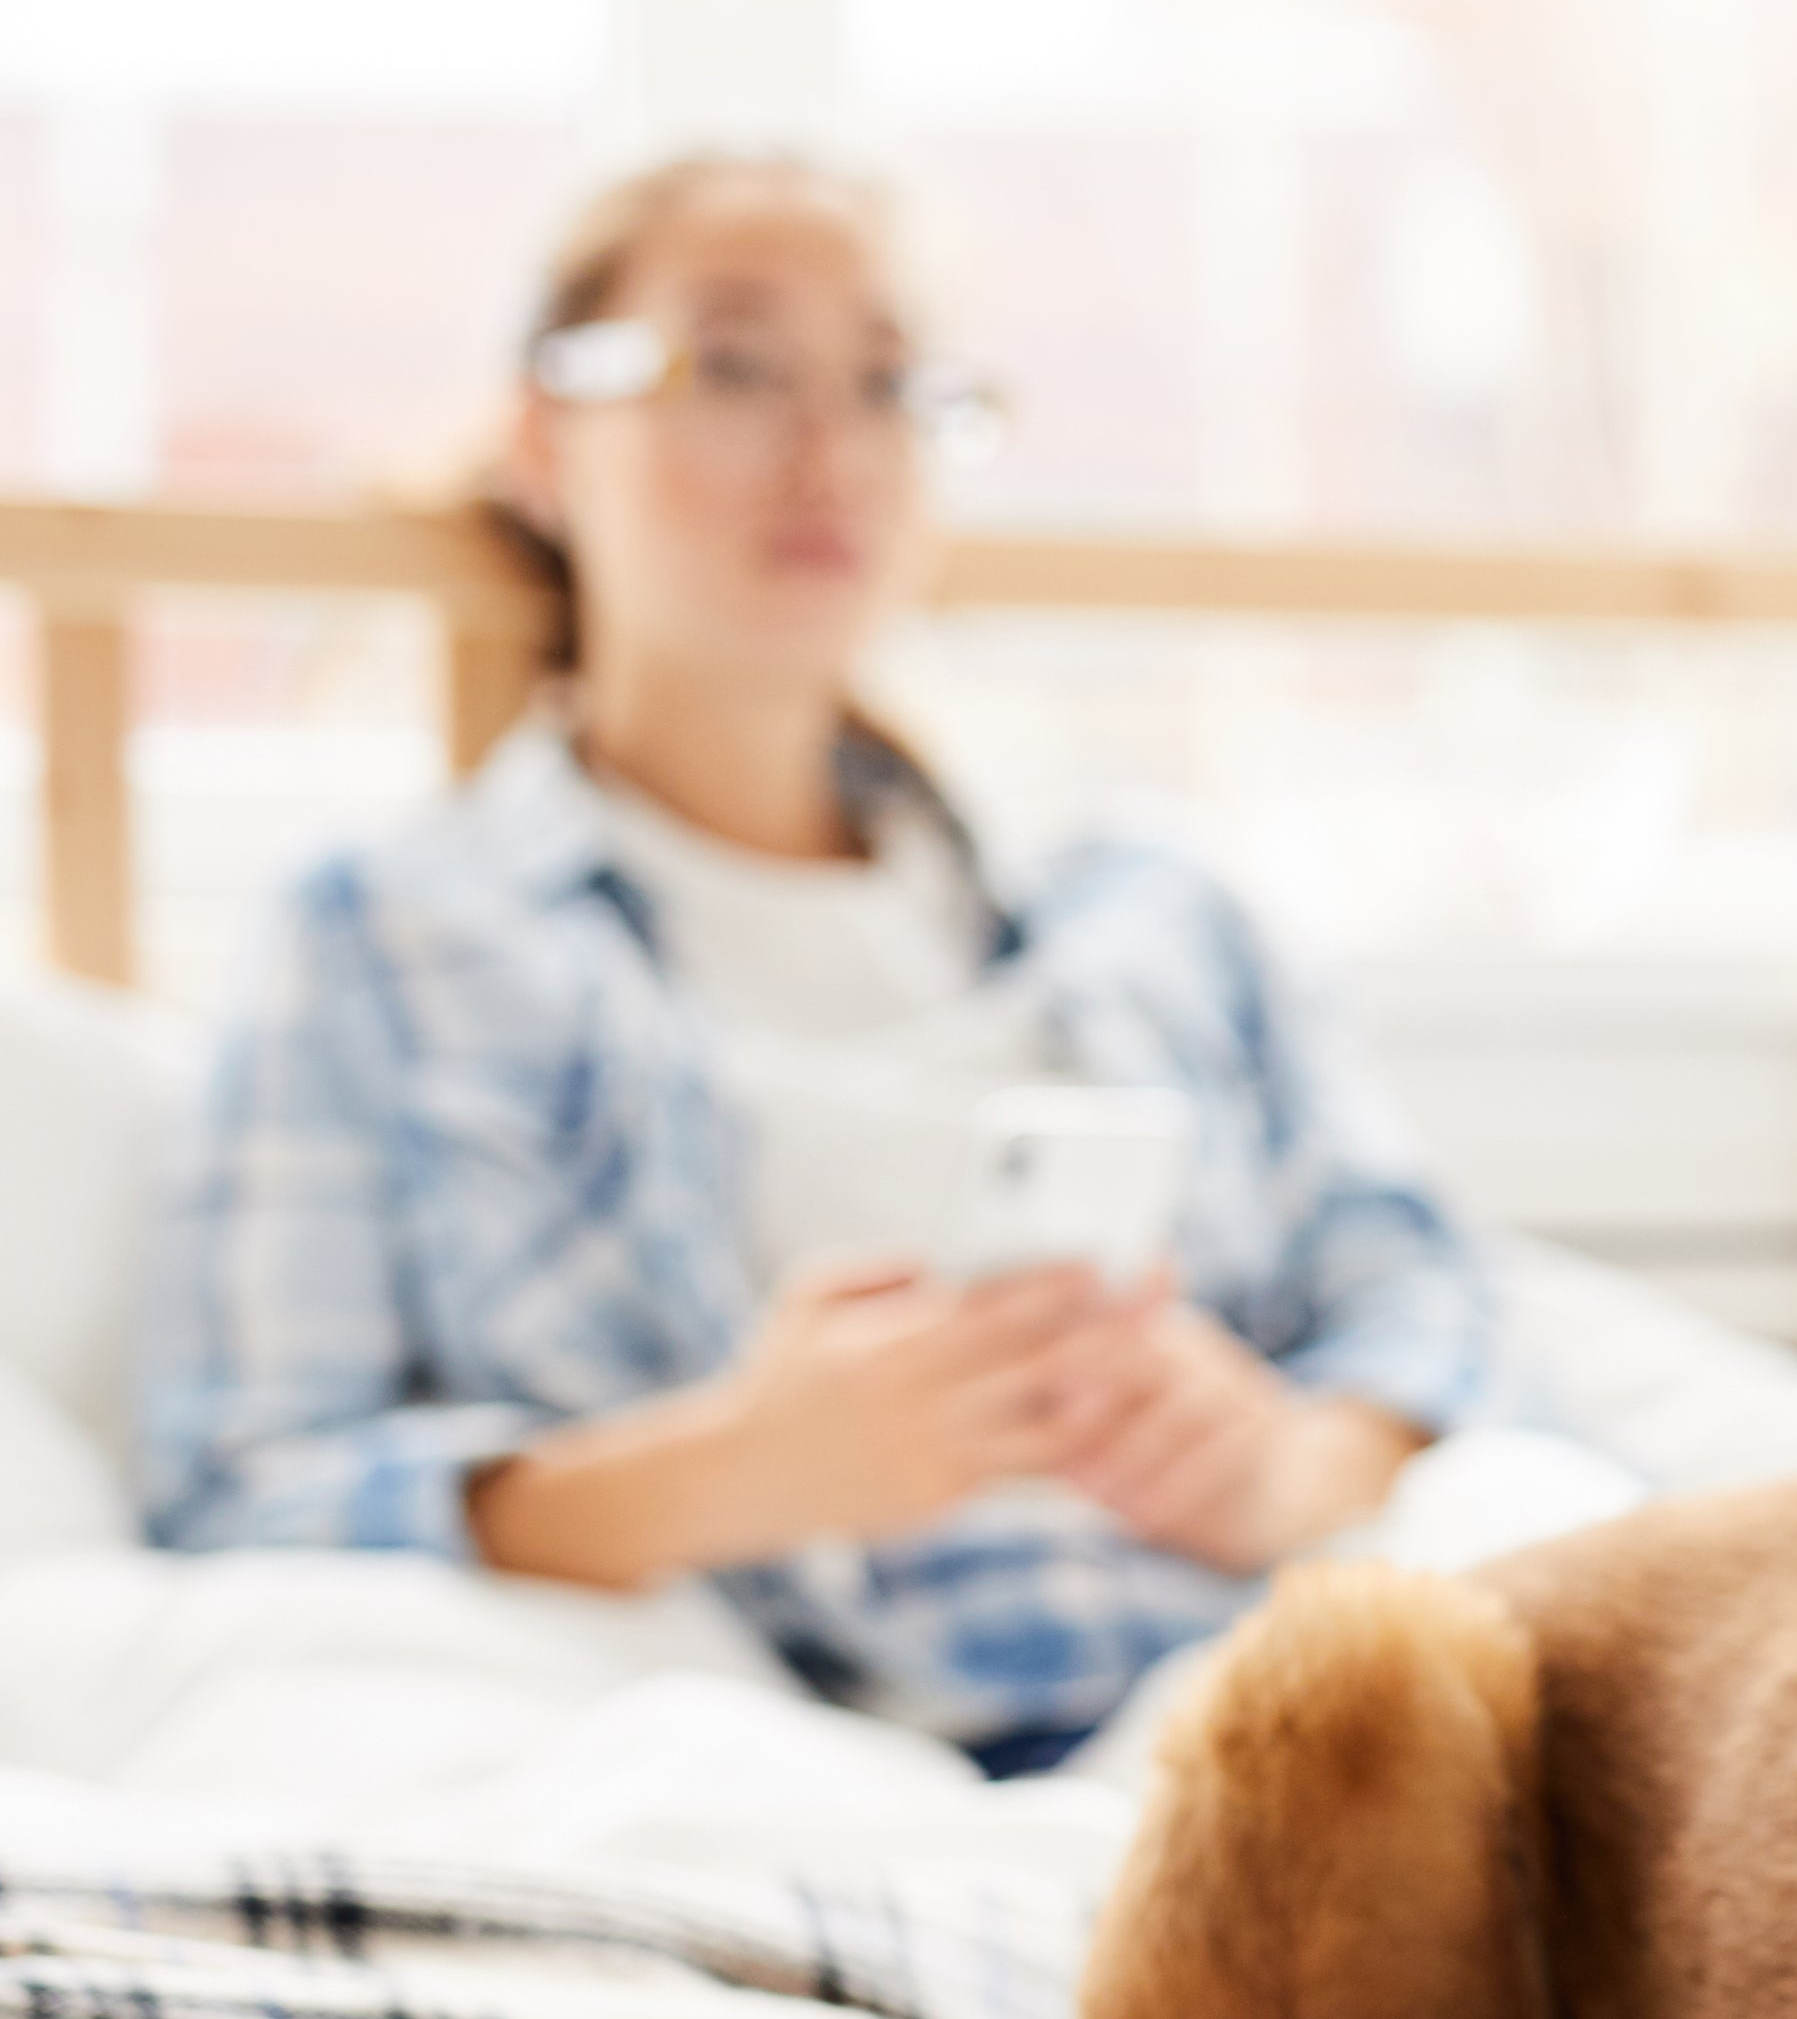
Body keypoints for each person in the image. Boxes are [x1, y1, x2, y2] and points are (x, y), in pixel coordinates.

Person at [137, 153, 1504, 1777]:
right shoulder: (386, 942)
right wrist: (730, 1469)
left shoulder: (1154, 911)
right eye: (731, 367)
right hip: (765, 1767)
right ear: (540, 444)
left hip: (1257, 1716)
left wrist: (1292, 1465)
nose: (831, 452)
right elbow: (242, 1488)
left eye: (891, 385)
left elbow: (1428, 1302)